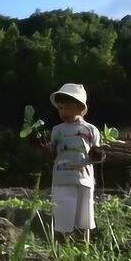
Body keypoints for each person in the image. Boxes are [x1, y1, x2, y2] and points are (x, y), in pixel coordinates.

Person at [35, 83, 103, 243]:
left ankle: (84, 247)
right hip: (62, 179)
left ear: (81, 107)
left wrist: (98, 154)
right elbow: (53, 155)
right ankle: (67, 246)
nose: (63, 112)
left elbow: (96, 153)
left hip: (84, 179)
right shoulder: (57, 131)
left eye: (67, 108)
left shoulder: (91, 130)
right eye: (60, 108)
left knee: (84, 216)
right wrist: (43, 147)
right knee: (64, 214)